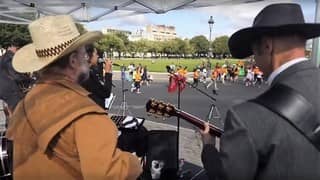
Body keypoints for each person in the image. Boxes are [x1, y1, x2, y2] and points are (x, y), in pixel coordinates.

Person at [6, 15, 142, 180]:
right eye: (83, 54)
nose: (86, 59)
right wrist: (133, 163)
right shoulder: (85, 113)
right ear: (73, 60)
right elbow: (108, 174)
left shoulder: (24, 103)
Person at [200, 3, 320, 180]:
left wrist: (209, 148)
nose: (255, 60)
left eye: (254, 52)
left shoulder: (245, 117)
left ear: (266, 46)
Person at [0, 41, 30, 111]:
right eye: (17, 48)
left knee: (9, 112)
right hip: (11, 90)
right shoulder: (10, 58)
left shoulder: (3, 57)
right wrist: (29, 80)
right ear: (12, 47)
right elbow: (15, 76)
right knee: (17, 111)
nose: (18, 50)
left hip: (4, 88)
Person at [81, 44, 113, 109]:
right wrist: (108, 72)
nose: (98, 56)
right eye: (95, 54)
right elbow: (106, 93)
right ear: (87, 56)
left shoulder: (90, 72)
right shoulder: (87, 76)